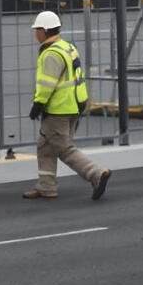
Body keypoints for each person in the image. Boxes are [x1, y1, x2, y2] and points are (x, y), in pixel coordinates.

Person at [24, 10, 111, 202]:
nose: (35, 33)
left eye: (37, 29)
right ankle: (46, 187)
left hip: (58, 109)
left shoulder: (51, 54)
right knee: (46, 147)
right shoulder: (67, 47)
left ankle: (96, 174)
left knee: (63, 148)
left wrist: (38, 104)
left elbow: (48, 84)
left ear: (45, 31)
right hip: (74, 106)